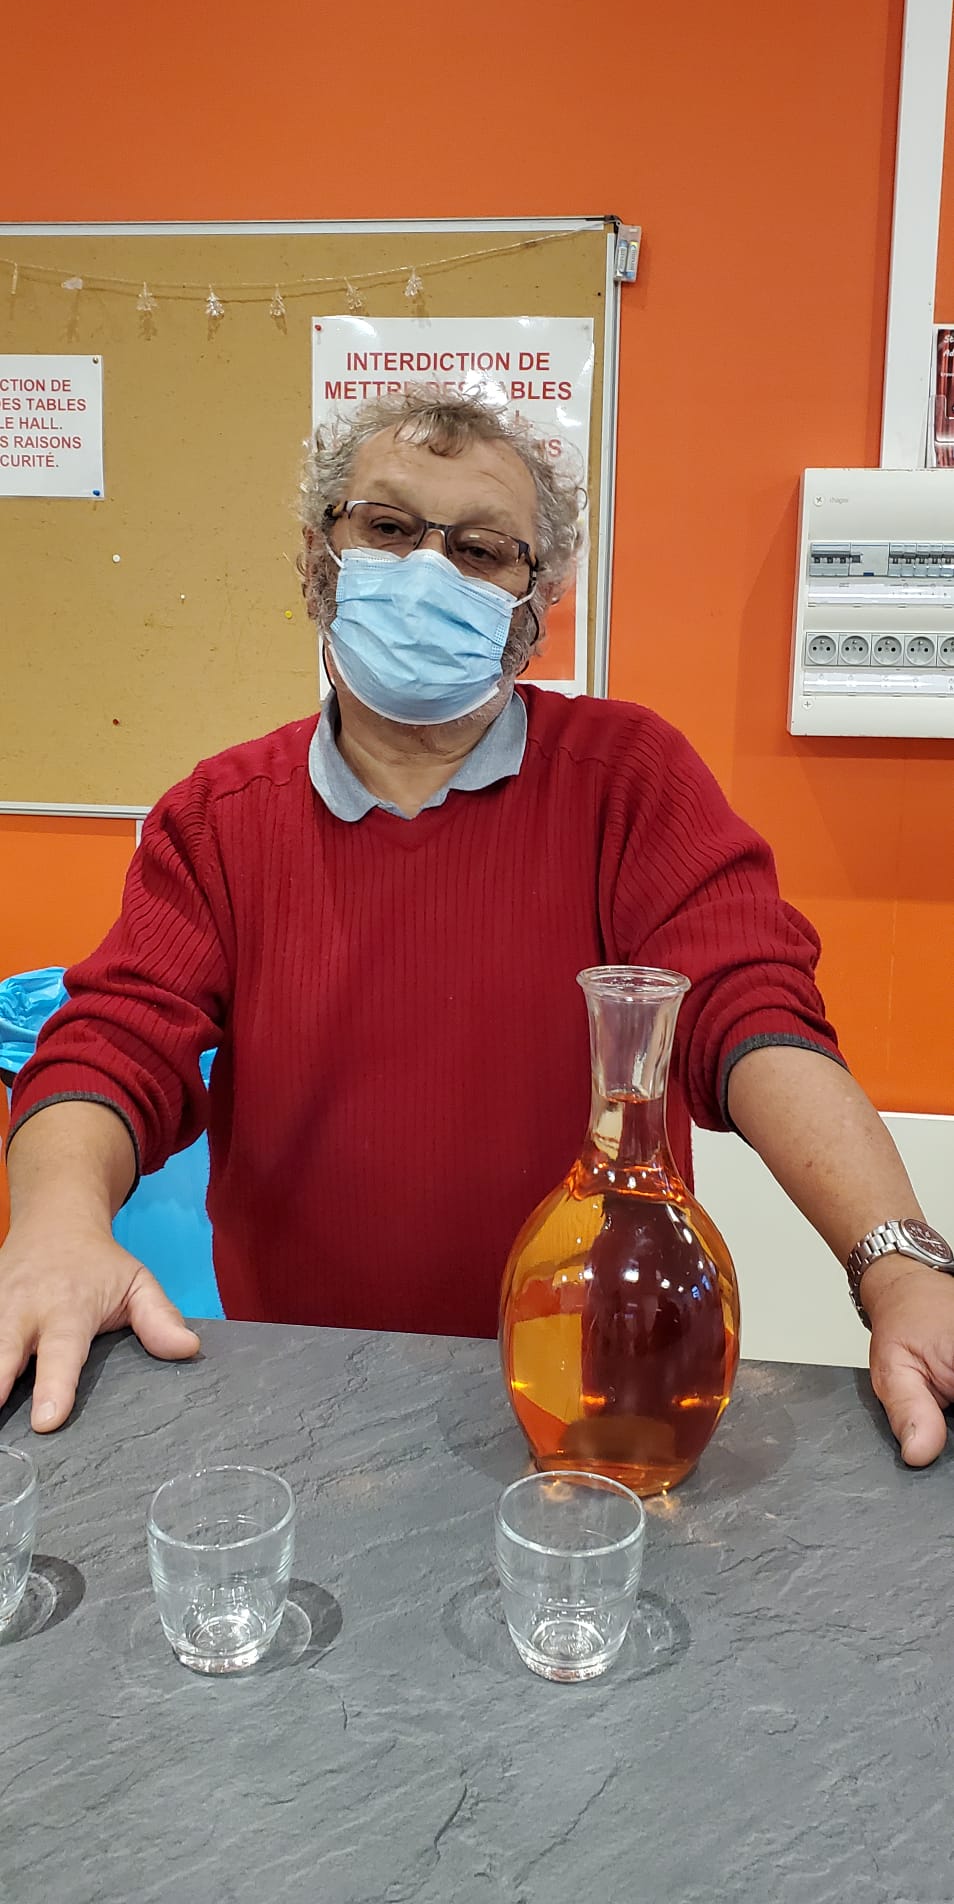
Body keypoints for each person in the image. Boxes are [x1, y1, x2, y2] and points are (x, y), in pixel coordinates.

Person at [3, 389, 952, 1466]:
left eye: (481, 550)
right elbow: (113, 1042)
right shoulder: (217, 820)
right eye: (389, 527)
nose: (427, 571)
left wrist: (900, 1264)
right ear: (318, 560)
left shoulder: (627, 782)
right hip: (304, 1395)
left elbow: (749, 1007)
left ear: (534, 606)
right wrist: (56, 1227)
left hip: (591, 1394)